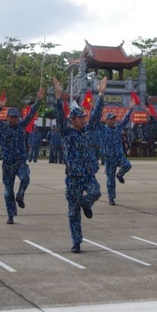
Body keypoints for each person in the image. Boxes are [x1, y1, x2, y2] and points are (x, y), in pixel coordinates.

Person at [53, 77, 104, 253]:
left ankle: (86, 203)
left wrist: (101, 93)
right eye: (80, 118)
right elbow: (59, 118)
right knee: (73, 212)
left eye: (83, 117)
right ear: (72, 120)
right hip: (74, 177)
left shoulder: (88, 130)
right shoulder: (67, 133)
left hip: (89, 174)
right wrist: (58, 98)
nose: (83, 120)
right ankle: (76, 241)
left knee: (96, 192)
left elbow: (96, 115)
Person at [0, 87, 43, 223]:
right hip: (7, 164)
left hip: (20, 161)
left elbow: (30, 115)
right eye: (11, 117)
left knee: (26, 178)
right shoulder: (2, 127)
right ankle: (10, 215)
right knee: (8, 191)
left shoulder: (21, 126)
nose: (14, 119)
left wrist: (39, 101)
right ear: (7, 117)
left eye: (16, 117)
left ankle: (21, 195)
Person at [100, 105, 134, 205]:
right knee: (110, 180)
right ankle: (111, 198)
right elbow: (95, 121)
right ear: (106, 120)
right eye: (110, 119)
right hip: (109, 158)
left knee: (127, 165)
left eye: (114, 119)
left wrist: (130, 108)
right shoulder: (103, 129)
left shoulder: (118, 128)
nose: (113, 121)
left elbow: (125, 120)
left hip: (119, 156)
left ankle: (120, 175)